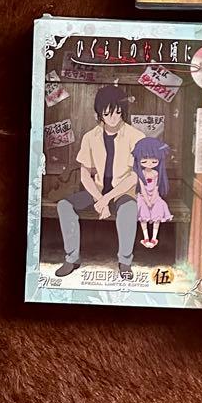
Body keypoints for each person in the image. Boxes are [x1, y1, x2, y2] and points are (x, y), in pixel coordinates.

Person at [55, 86, 145, 281]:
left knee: (129, 209)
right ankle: (72, 259)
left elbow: (133, 177)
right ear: (99, 113)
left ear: (123, 111)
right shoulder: (90, 137)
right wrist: (99, 198)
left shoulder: (136, 136)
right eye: (107, 113)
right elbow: (84, 175)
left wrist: (106, 200)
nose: (113, 118)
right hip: (96, 190)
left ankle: (125, 262)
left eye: (118, 112)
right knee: (64, 205)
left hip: (122, 192)